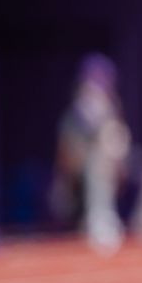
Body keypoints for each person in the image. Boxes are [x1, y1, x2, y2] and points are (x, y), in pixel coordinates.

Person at [53, 54, 131, 255]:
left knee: (119, 157)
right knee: (96, 165)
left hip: (107, 171)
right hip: (77, 180)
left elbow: (117, 143)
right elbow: (68, 157)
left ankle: (106, 217)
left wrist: (117, 159)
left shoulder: (112, 110)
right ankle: (99, 221)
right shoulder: (76, 114)